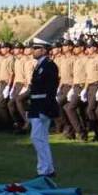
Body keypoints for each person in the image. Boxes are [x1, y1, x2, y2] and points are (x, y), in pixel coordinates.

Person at [25, 39, 60, 177]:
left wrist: (45, 108)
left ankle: (45, 169)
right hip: (36, 105)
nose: (33, 51)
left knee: (37, 138)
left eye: (36, 48)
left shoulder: (49, 66)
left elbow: (51, 89)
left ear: (44, 50)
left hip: (42, 106)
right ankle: (47, 169)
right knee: (40, 138)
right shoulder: (40, 65)